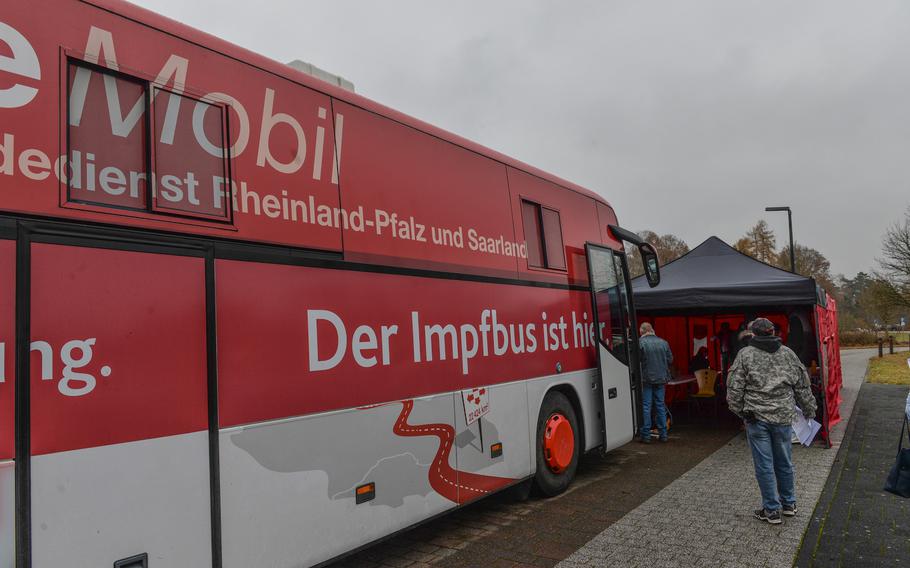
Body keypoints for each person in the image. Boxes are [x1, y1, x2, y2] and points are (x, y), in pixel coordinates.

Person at [727, 318, 817, 525]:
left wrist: (741, 412)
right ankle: (789, 504)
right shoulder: (788, 354)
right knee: (784, 461)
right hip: (783, 417)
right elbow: (803, 386)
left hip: (756, 418)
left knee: (764, 464)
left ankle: (771, 510)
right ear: (773, 332)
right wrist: (809, 410)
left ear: (753, 333)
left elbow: (734, 389)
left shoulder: (745, 355)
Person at [638, 322, 674, 443]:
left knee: (646, 406)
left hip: (646, 378)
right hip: (661, 378)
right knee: (660, 405)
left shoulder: (640, 343)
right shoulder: (663, 342)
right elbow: (670, 359)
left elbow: (636, 360)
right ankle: (663, 434)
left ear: (642, 332)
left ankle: (646, 435)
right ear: (652, 330)